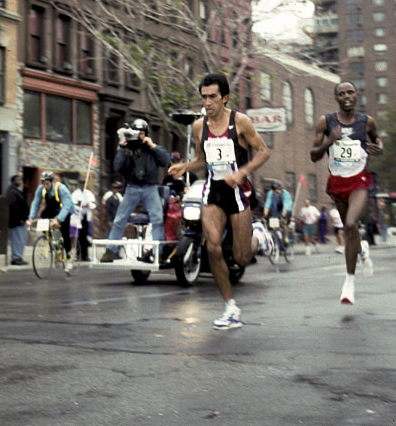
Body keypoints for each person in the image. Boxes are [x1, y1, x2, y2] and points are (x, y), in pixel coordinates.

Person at [168, 73, 270, 330]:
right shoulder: (198, 126)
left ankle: (259, 235)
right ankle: (231, 308)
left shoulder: (240, 122)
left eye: (213, 96)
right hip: (214, 189)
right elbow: (202, 160)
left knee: (242, 257)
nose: (207, 102)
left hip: (238, 190)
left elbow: (264, 151)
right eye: (203, 97)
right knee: (212, 247)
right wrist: (185, 166)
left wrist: (242, 172)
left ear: (224, 98)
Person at [310, 80, 384, 302]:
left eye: (350, 92)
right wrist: (329, 142)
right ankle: (361, 250)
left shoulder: (367, 122)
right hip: (337, 181)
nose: (347, 96)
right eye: (342, 93)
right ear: (337, 98)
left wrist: (379, 148)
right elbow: (313, 155)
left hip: (359, 180)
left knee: (350, 224)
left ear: (356, 95)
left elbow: (378, 141)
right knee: (350, 230)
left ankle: (349, 283)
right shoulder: (326, 122)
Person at [100, 119, 171, 264]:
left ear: (147, 134)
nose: (139, 136)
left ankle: (158, 252)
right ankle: (110, 250)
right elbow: (119, 168)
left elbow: (165, 160)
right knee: (120, 219)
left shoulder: (152, 149)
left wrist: (152, 145)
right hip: (132, 187)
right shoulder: (128, 149)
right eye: (137, 133)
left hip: (150, 187)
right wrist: (123, 150)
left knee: (157, 219)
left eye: (142, 133)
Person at [30, 171, 75, 272]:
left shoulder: (61, 189)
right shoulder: (41, 189)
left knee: (65, 233)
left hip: (65, 209)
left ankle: (69, 259)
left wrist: (58, 219)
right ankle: (53, 242)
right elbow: (35, 203)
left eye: (47, 183)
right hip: (52, 208)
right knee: (43, 219)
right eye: (43, 183)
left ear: (52, 182)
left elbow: (67, 206)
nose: (45, 186)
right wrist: (31, 218)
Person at [70, 177, 96, 262]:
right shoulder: (75, 194)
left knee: (86, 237)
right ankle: (78, 255)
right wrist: (81, 206)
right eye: (81, 184)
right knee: (78, 236)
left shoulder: (88, 193)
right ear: (79, 184)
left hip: (86, 217)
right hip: (78, 217)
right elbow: (73, 205)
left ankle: (85, 255)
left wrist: (89, 205)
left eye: (83, 184)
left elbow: (93, 203)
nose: (82, 185)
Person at [5, 175, 29, 265]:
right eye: (18, 180)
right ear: (13, 181)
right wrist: (20, 218)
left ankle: (19, 257)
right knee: (17, 239)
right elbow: (13, 206)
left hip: (21, 220)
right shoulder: (11, 191)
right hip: (16, 221)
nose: (20, 181)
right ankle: (15, 258)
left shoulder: (17, 191)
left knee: (22, 239)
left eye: (21, 179)